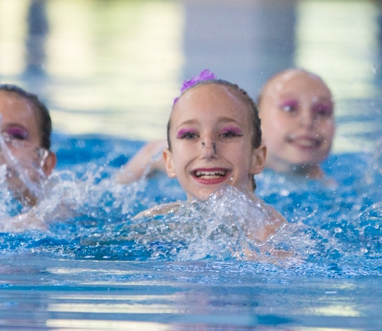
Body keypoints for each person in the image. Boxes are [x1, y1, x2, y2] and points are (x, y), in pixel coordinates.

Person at [115, 68, 336, 183]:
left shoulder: (330, 189)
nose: (308, 121)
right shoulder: (203, 155)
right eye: (289, 108)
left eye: (323, 112)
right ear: (256, 121)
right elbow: (149, 156)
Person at [134, 76, 285, 242]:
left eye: (227, 134)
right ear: (169, 162)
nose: (207, 151)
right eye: (190, 135)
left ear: (257, 159)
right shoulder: (155, 222)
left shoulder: (272, 237)